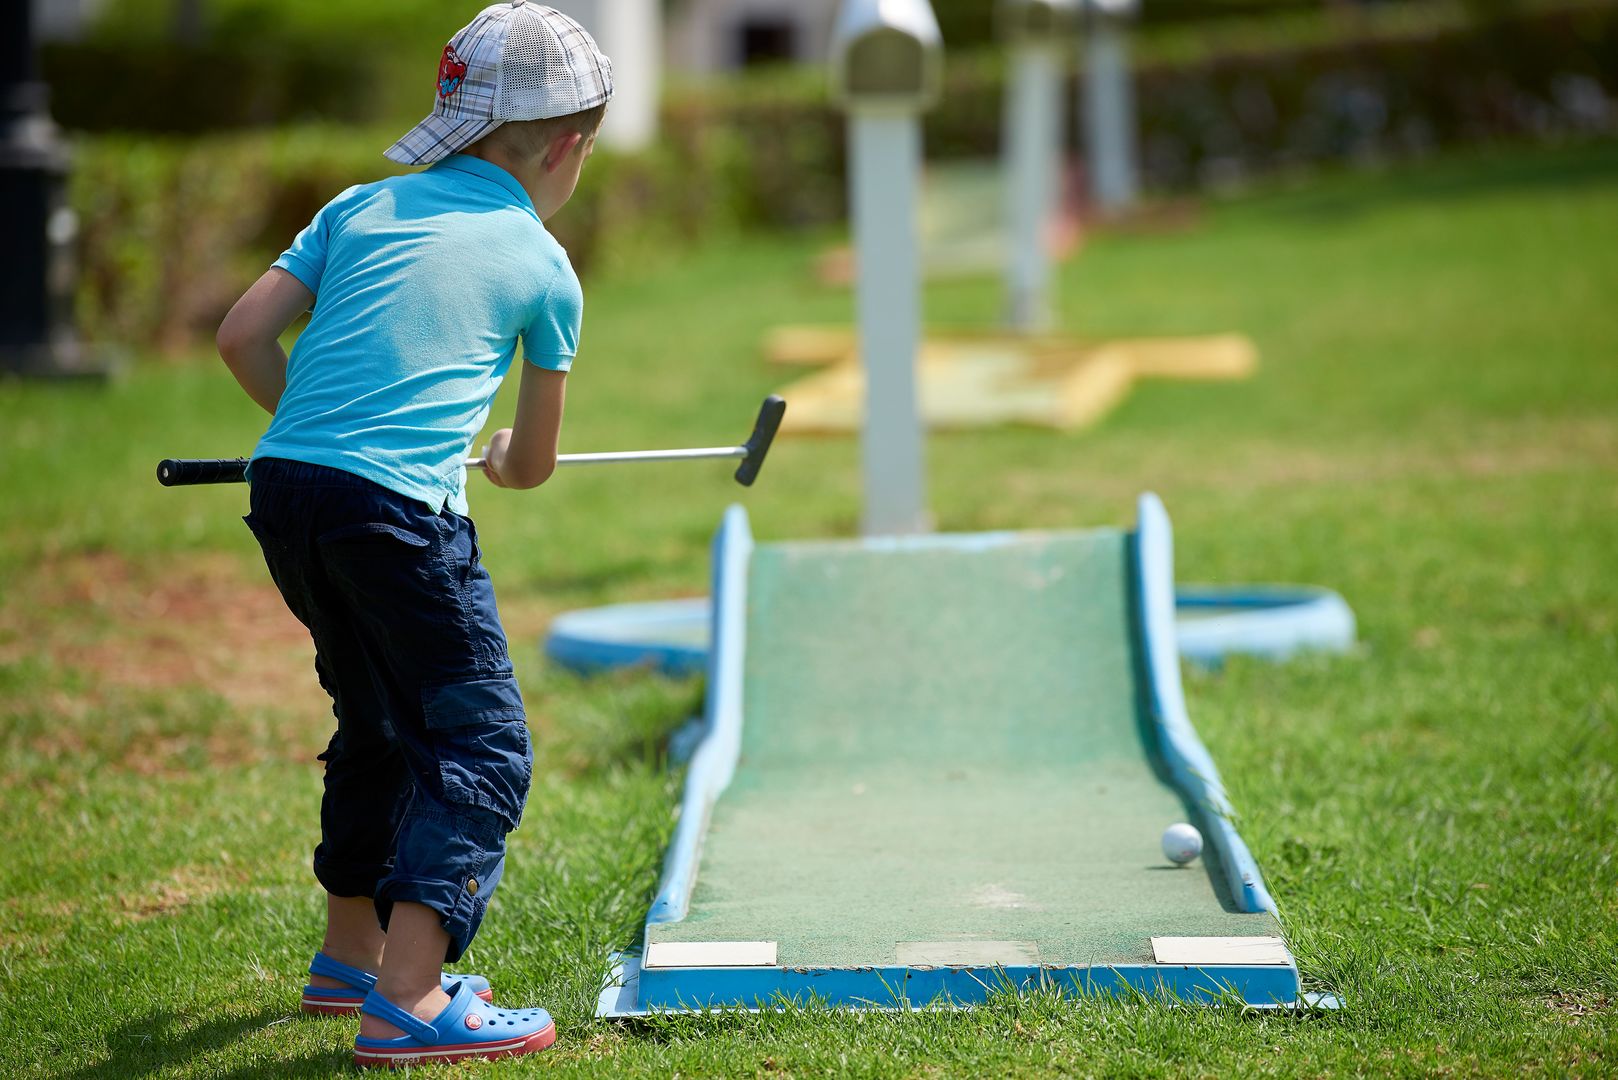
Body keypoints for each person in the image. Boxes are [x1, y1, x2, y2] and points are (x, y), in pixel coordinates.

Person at [214, 3, 611, 1067]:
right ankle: (409, 997)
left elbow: (242, 336)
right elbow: (528, 464)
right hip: (396, 517)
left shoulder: (357, 205)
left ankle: (350, 960)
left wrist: (325, 437)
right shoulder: (544, 265)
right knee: (481, 746)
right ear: (567, 147)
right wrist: (496, 457)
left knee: (379, 721)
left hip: (287, 492)